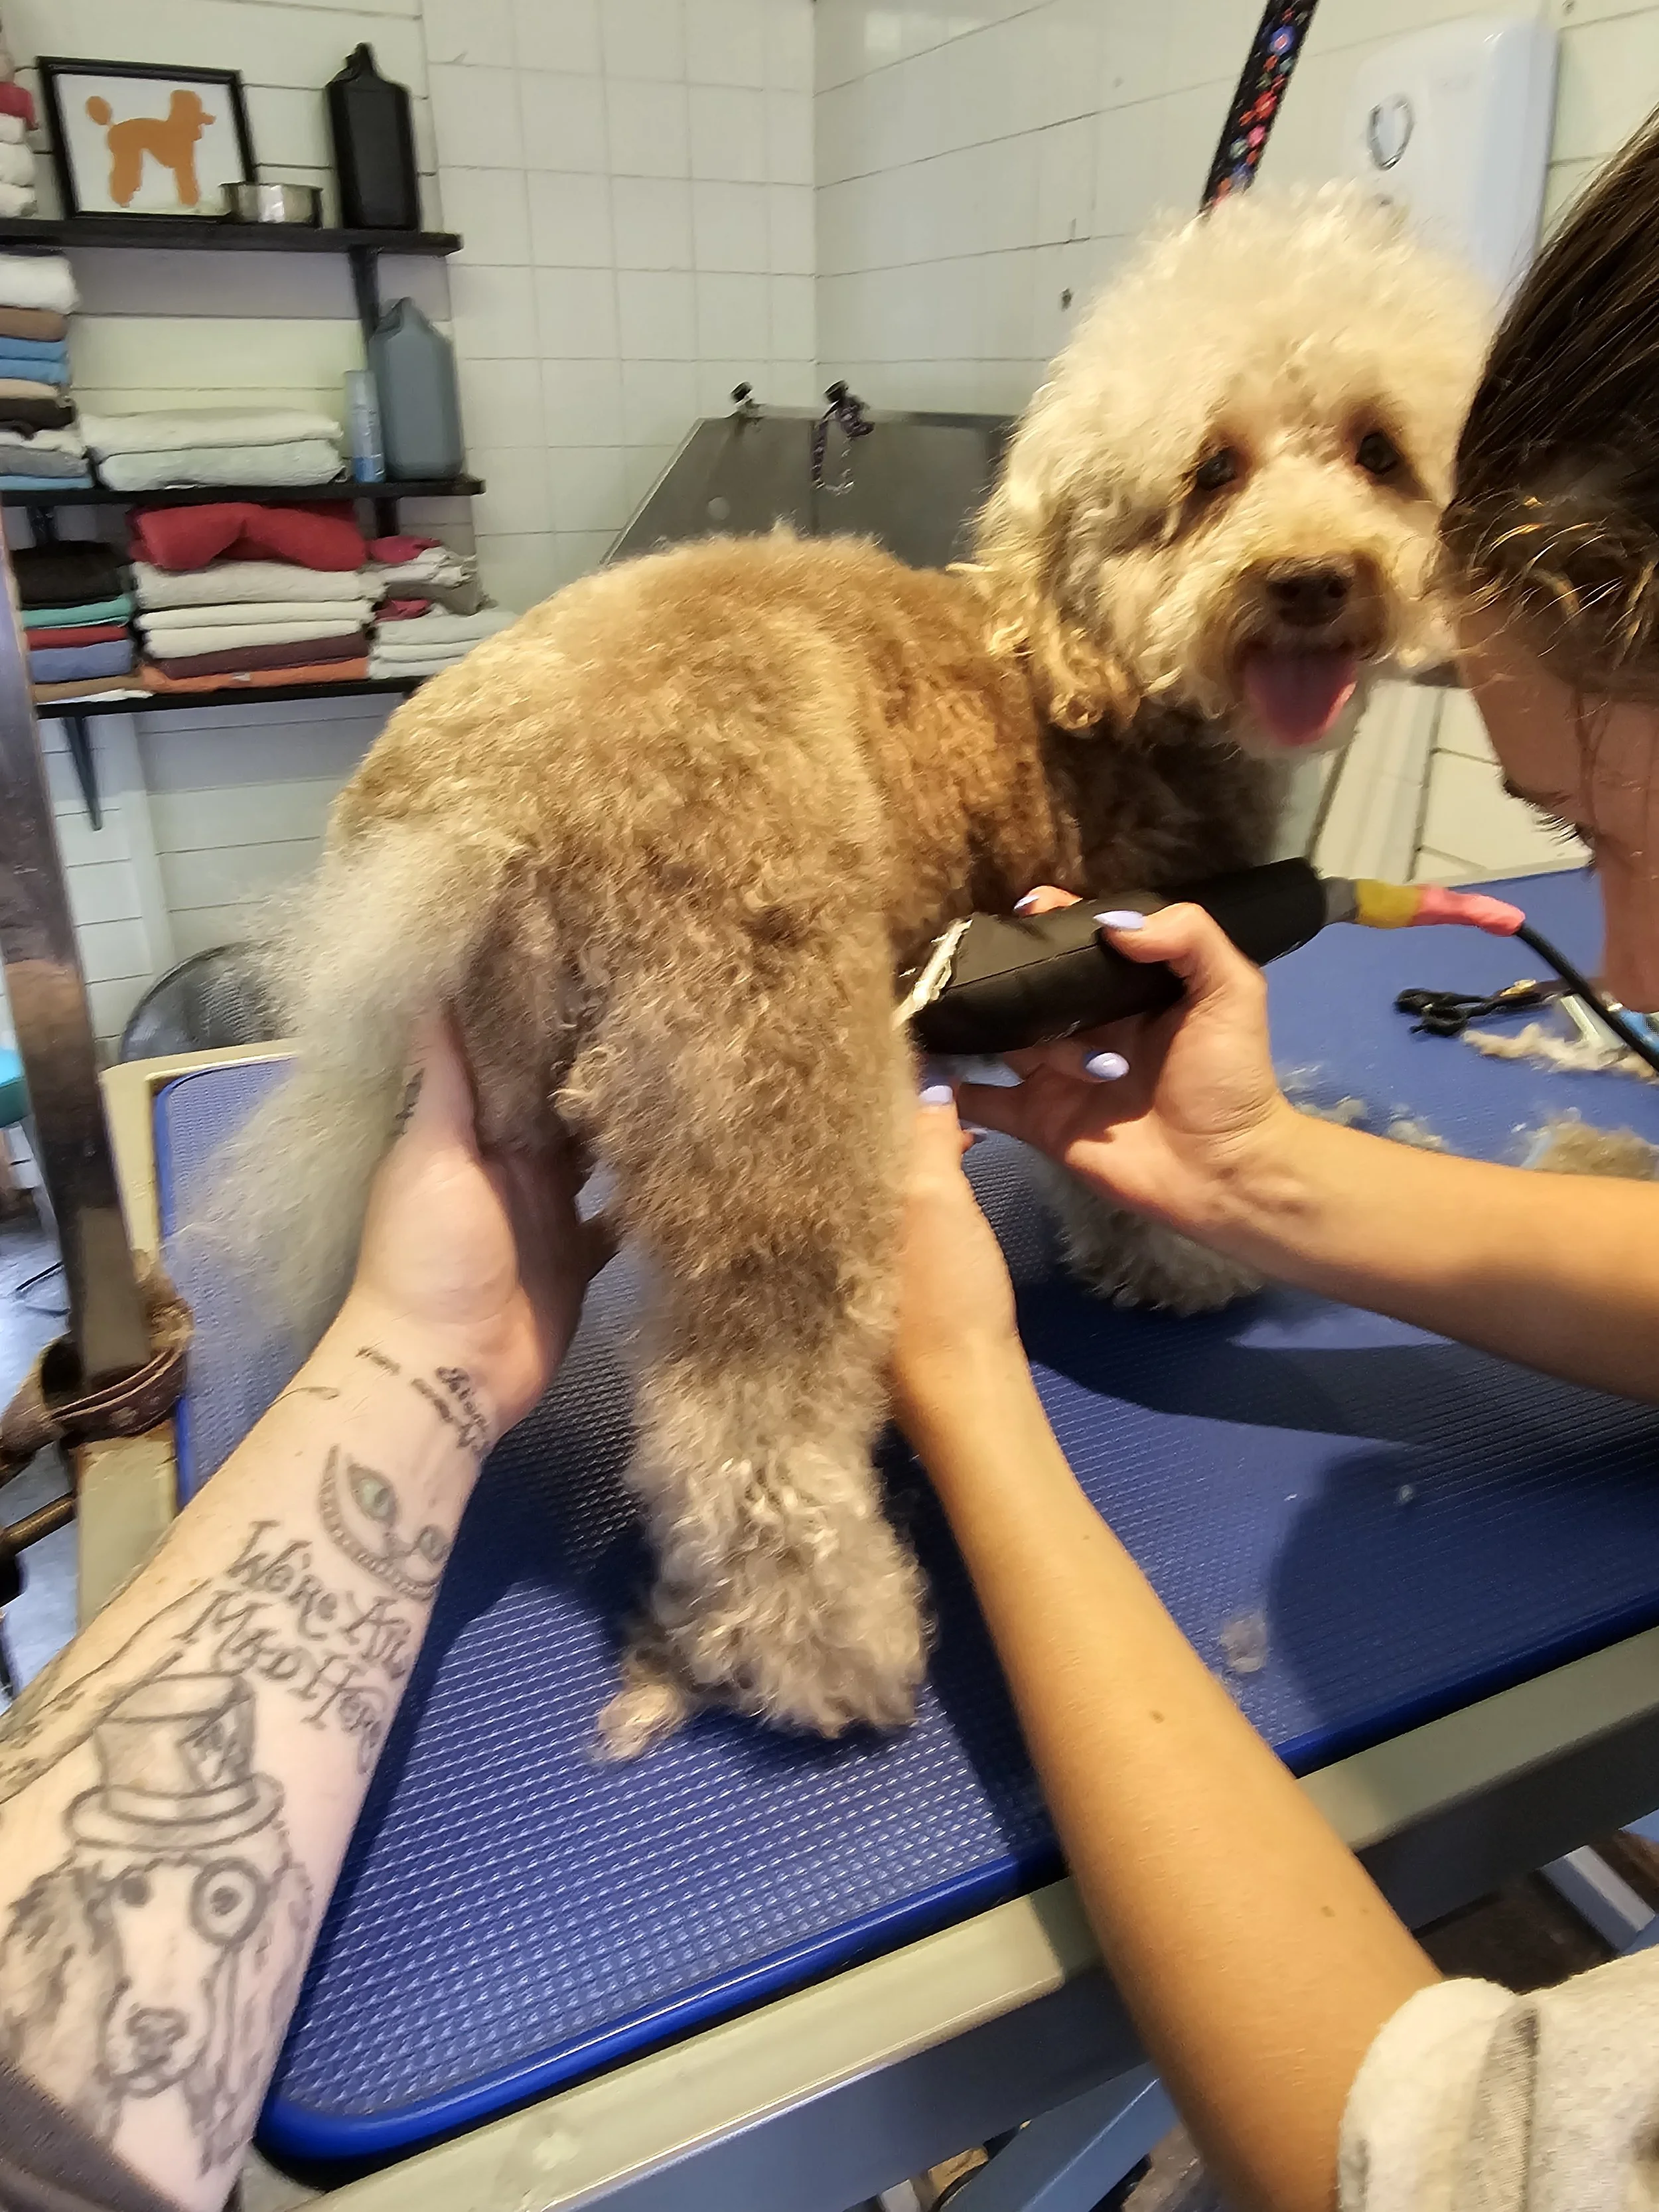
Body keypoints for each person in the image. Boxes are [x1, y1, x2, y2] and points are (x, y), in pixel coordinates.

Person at [8, 95, 1659, 2212]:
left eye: (1372, 460)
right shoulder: (1045, 724)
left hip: (458, 806)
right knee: (767, 1255)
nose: (1316, 543)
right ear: (1081, 558)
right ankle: (776, 1565)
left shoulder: (1196, 716)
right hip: (666, 786)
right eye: (1218, 482)